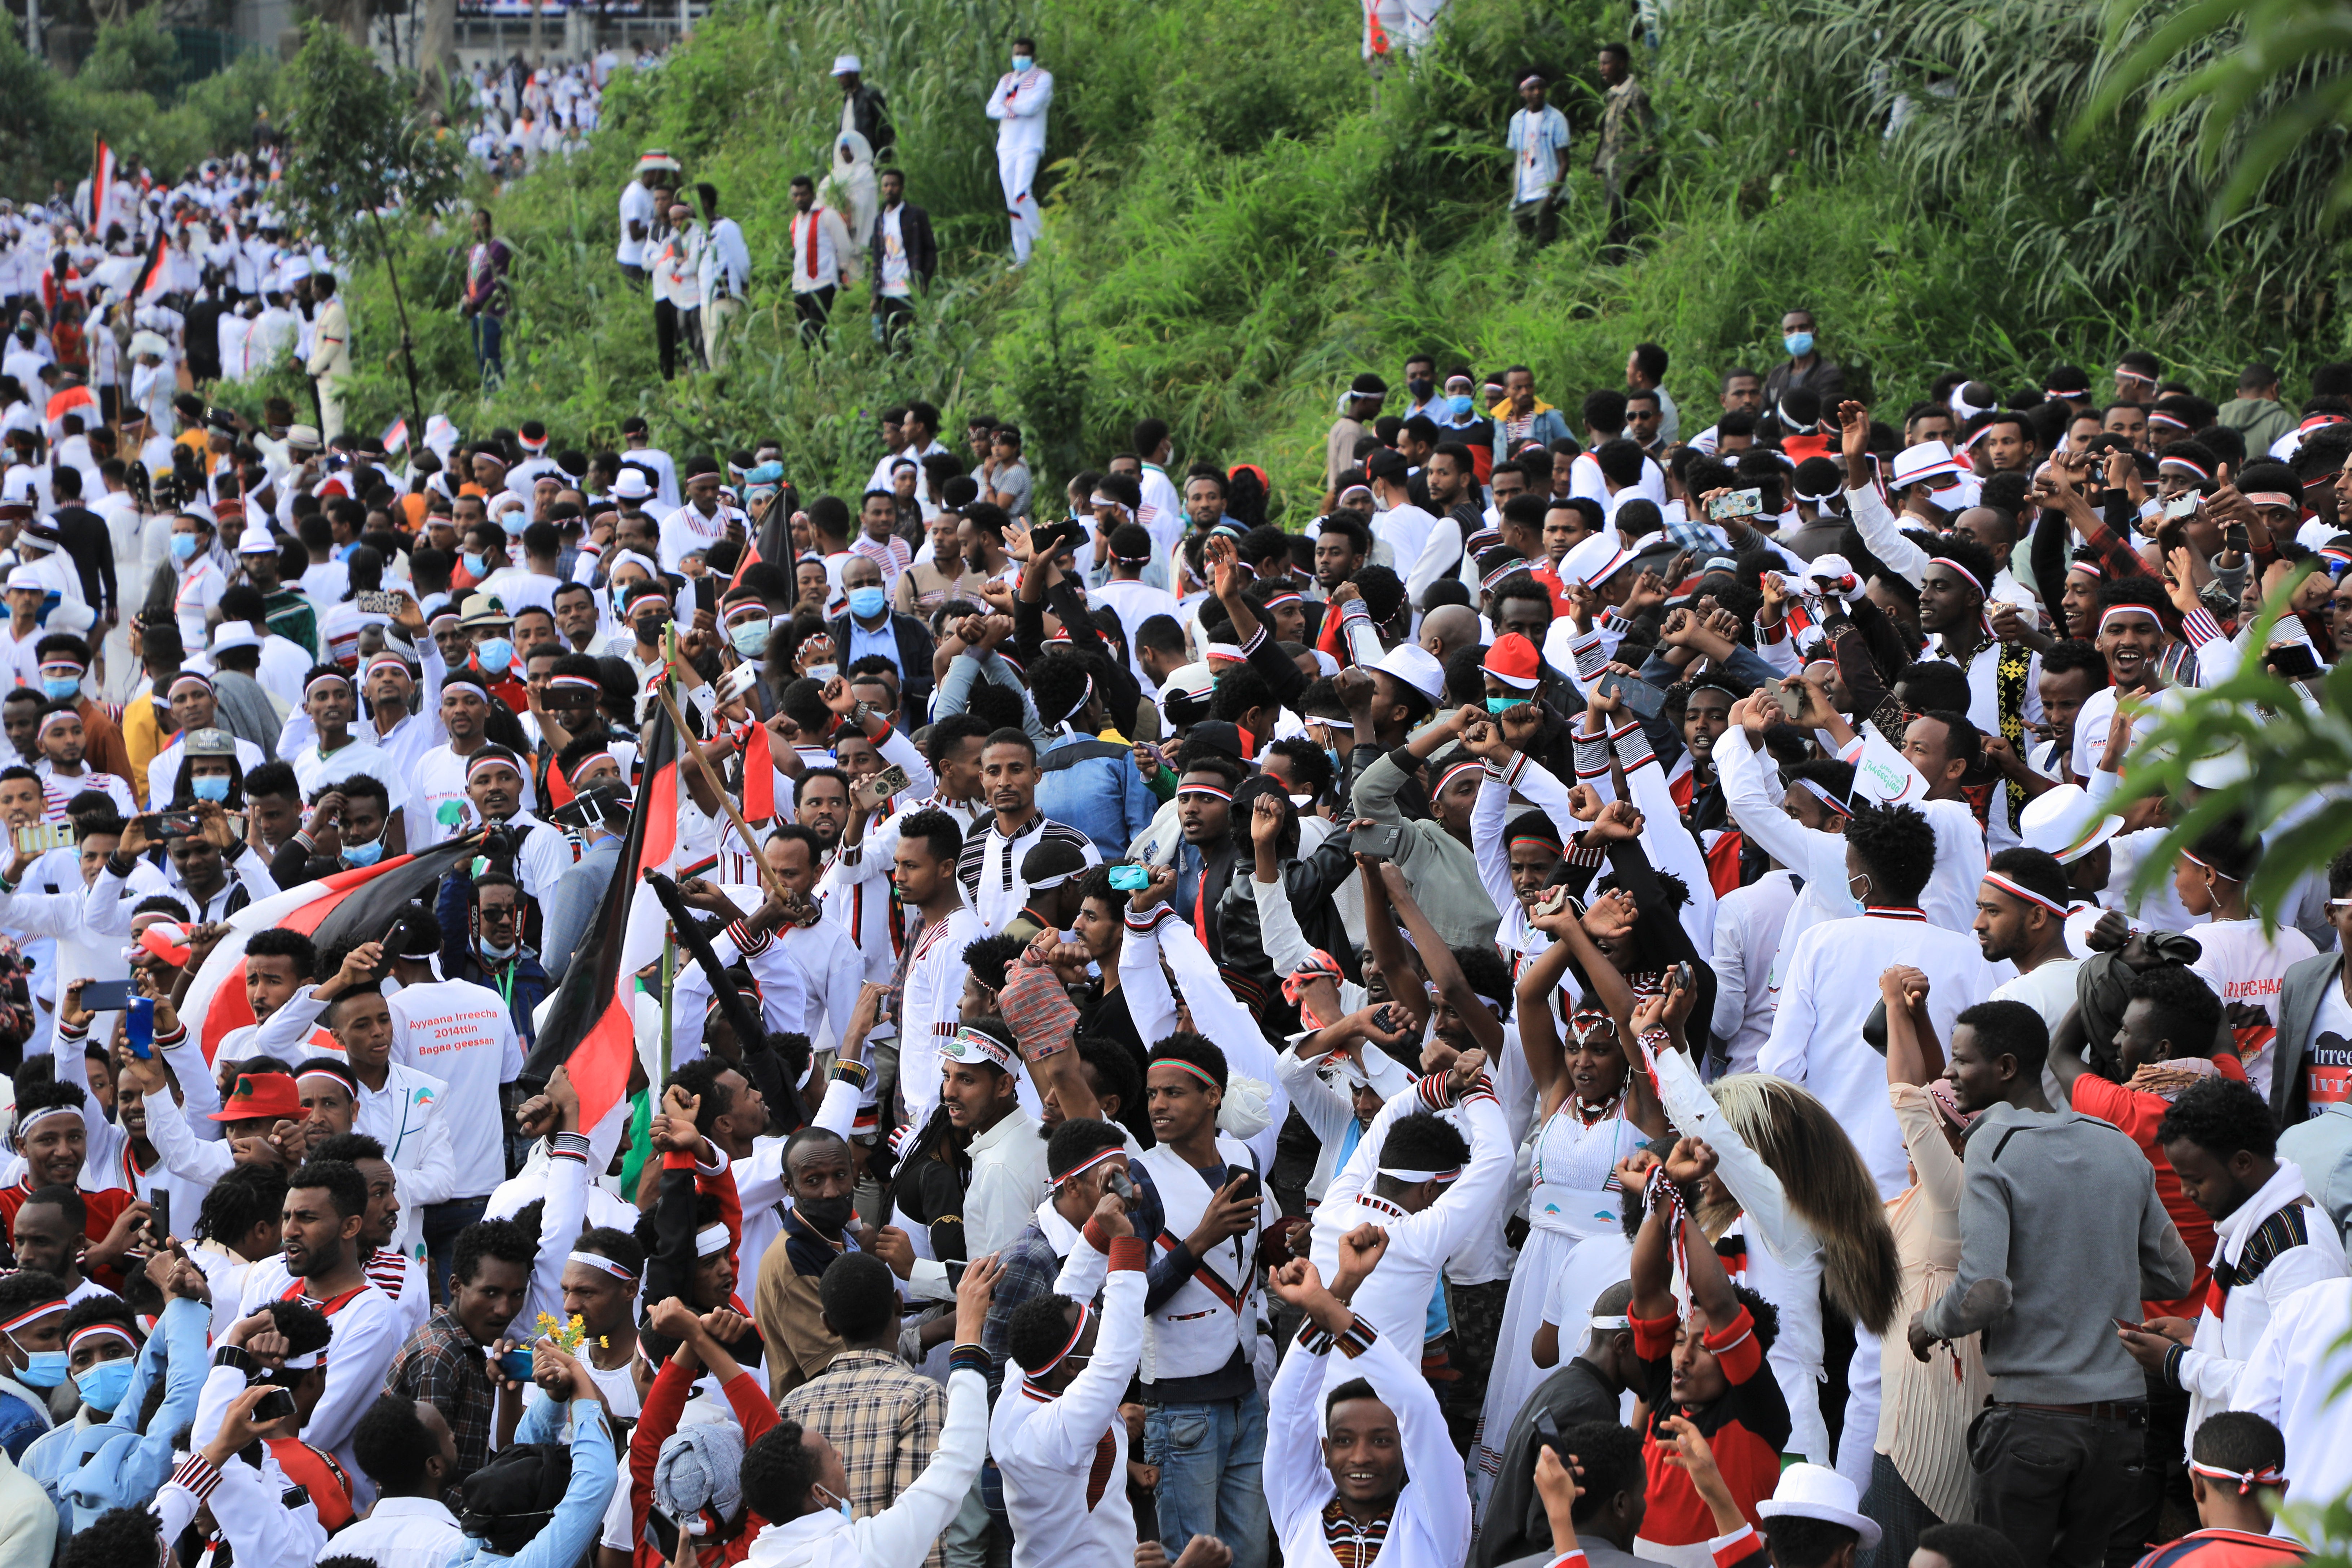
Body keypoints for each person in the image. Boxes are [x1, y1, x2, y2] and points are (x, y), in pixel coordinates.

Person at [1911, 1000, 2194, 1568]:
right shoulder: (2114, 1142)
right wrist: (2086, 1267)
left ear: (2006, 1068)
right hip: (2120, 1431)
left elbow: (1984, 1292)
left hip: (2034, 1428)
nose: (1946, 1074)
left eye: (1960, 1061)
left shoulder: (1994, 1144)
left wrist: (1928, 1324)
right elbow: (2176, 1272)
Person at [986, 40, 1054, 265]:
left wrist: (1008, 108)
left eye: (1025, 54)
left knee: (1022, 194)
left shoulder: (1043, 78)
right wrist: (1015, 108)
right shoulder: (1006, 80)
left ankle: (1047, 247)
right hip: (1006, 145)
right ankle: (1023, 257)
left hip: (1030, 143)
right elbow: (991, 109)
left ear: (1033, 56)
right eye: (1017, 54)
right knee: (1012, 204)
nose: (1020, 58)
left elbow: (1032, 107)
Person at [1592, 43, 1655, 255]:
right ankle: (1618, 264)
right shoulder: (1614, 95)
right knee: (1612, 216)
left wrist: (1643, 166)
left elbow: (1647, 132)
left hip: (1628, 166)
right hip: (1613, 167)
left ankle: (1639, 257)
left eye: (1606, 63)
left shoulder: (1635, 95)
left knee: (1616, 215)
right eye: (1600, 63)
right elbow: (1609, 136)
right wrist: (1601, 167)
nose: (1602, 68)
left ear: (1621, 64)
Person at [1507, 72, 1571, 246]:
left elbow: (1565, 162)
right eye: (1532, 88)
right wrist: (1516, 191)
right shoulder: (1517, 121)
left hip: (1546, 193)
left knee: (1547, 243)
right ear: (1523, 92)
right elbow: (1518, 159)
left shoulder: (1556, 119)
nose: (1537, 92)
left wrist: (1552, 196)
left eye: (1541, 87)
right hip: (1524, 195)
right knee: (1525, 243)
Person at [459, 209, 512, 388]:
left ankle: (498, 393)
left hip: (491, 311)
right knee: (480, 356)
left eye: (479, 225)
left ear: (488, 225)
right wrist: (466, 297)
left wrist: (476, 302)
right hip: (475, 313)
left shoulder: (499, 247)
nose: (476, 229)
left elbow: (496, 281)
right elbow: (471, 279)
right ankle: (487, 394)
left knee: (492, 355)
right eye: (473, 226)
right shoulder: (474, 250)